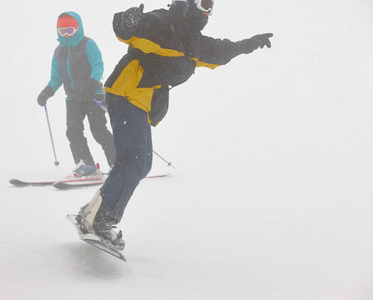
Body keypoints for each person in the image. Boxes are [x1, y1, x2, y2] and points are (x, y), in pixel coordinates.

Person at [74, 0, 273, 250]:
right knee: (134, 160)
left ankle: (91, 213)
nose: (207, 12)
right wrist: (127, 20)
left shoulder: (192, 40)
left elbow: (222, 51)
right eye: (203, 4)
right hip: (126, 93)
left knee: (140, 161)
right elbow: (126, 30)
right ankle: (101, 221)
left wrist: (249, 44)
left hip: (141, 103)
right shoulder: (162, 21)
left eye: (211, 7)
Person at [37, 12, 116, 177]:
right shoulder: (59, 51)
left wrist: (91, 85)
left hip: (93, 95)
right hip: (73, 98)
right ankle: (86, 163)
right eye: (62, 31)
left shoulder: (88, 44)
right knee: (73, 131)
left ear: (78, 29)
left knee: (99, 131)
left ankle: (117, 163)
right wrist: (47, 92)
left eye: (70, 30)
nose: (66, 35)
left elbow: (98, 66)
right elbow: (56, 77)